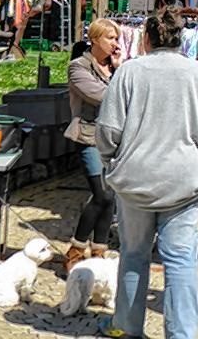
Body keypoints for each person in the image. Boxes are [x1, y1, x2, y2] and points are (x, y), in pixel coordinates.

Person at [95, 8, 198, 339]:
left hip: (136, 177)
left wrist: (111, 160)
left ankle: (126, 327)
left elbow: (108, 129)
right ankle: (182, 334)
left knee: (134, 254)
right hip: (184, 178)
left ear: (147, 37)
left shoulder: (129, 72)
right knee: (181, 260)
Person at [64, 18, 122, 274]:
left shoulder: (116, 68)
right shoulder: (79, 67)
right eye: (110, 38)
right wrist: (122, 78)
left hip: (115, 140)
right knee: (102, 194)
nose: (115, 43)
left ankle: (99, 251)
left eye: (117, 38)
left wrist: (119, 69)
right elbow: (101, 97)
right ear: (95, 39)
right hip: (88, 137)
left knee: (111, 197)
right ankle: (76, 248)